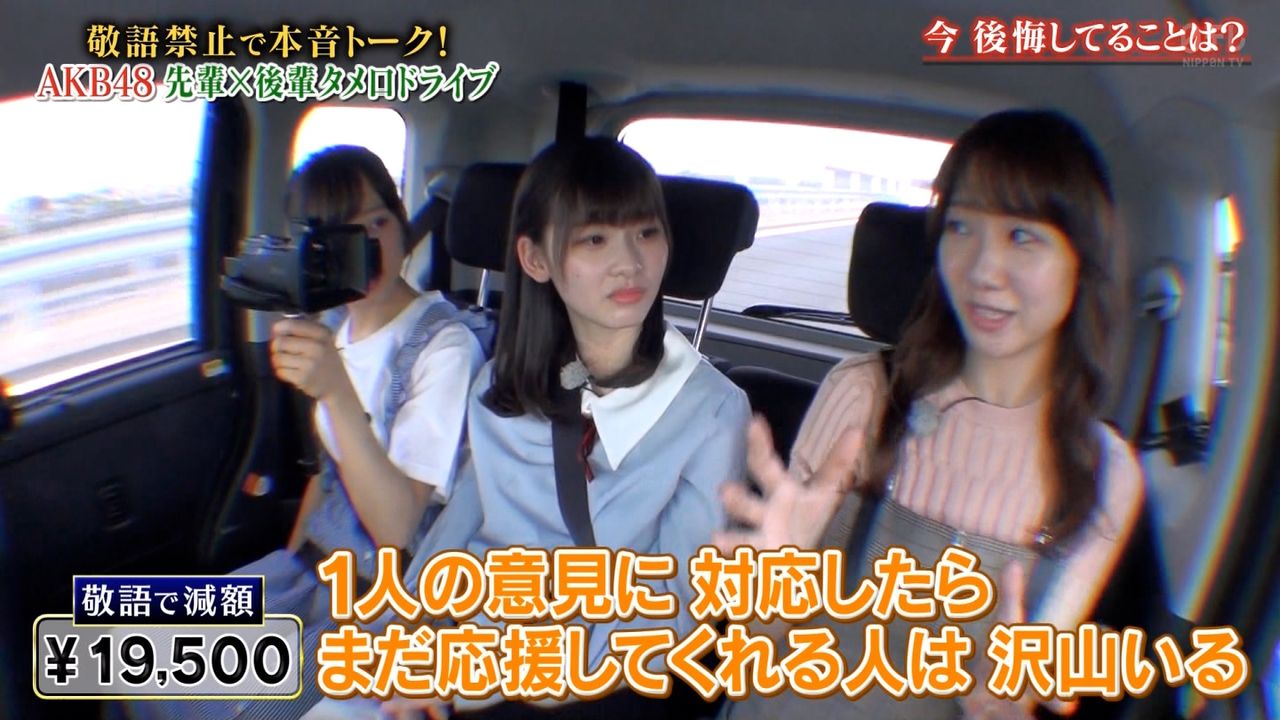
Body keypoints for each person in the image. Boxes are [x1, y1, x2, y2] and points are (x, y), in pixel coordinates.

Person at [716, 109, 1144, 720]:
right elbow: (754, 657)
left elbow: (1029, 688)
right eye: (961, 227)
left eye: (1022, 236)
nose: (982, 270)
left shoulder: (1104, 473)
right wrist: (772, 592)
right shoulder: (864, 395)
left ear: (1083, 259)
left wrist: (1003, 706)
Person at [307, 137, 751, 720]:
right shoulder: (503, 382)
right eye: (595, 238)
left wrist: (483, 675)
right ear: (536, 259)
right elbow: (459, 527)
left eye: (647, 233)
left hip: (588, 676)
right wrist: (407, 626)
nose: (630, 262)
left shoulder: (712, 410)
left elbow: (676, 606)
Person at [119, 145, 492, 720]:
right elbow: (327, 473)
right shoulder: (333, 326)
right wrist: (285, 570)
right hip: (312, 573)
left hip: (385, 600)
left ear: (402, 223)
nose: (367, 247)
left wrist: (336, 393)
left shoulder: (444, 347)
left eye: (378, 222)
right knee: (124, 658)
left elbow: (398, 529)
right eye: (343, 234)